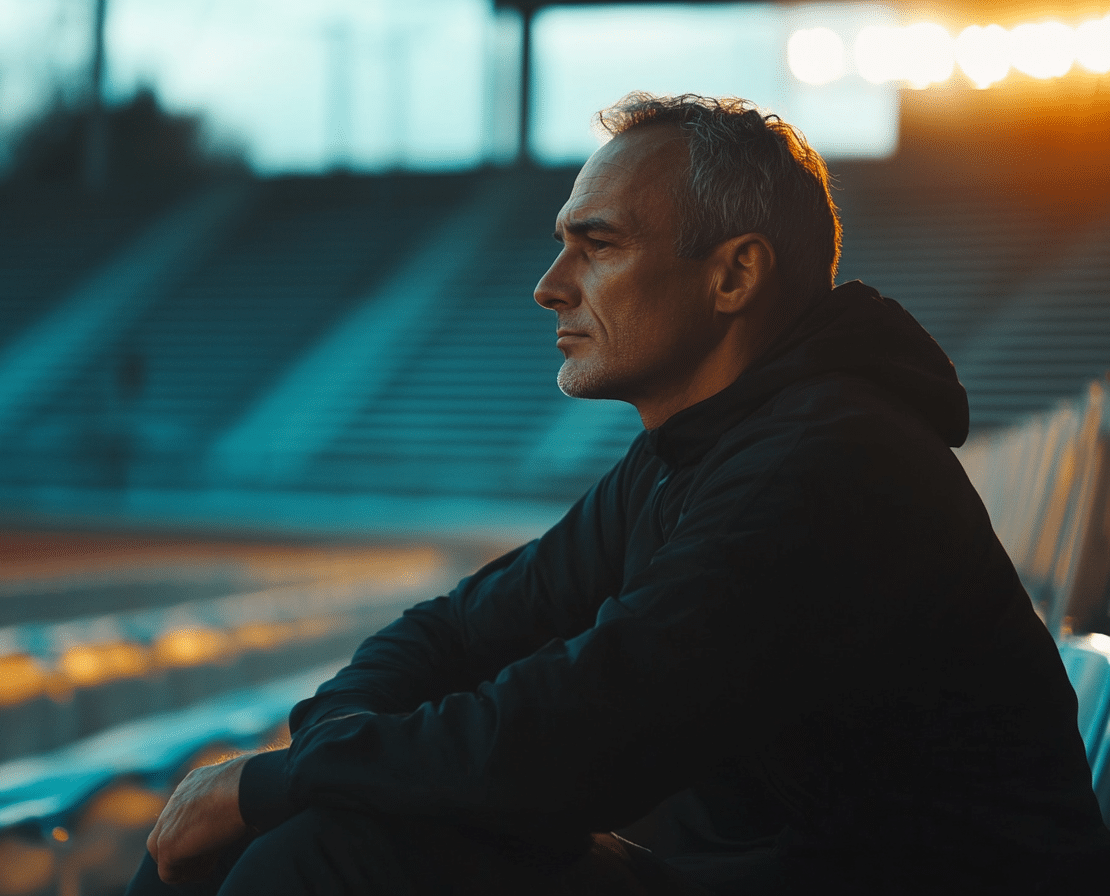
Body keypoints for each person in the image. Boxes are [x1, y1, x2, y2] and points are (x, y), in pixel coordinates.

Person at [129, 93, 1110, 894]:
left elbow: (570, 740)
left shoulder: (832, 461)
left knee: (328, 849)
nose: (550, 285)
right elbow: (457, 631)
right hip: (761, 868)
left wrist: (282, 781)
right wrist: (317, 756)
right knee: (290, 828)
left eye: (596, 245)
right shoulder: (693, 450)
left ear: (733, 275)